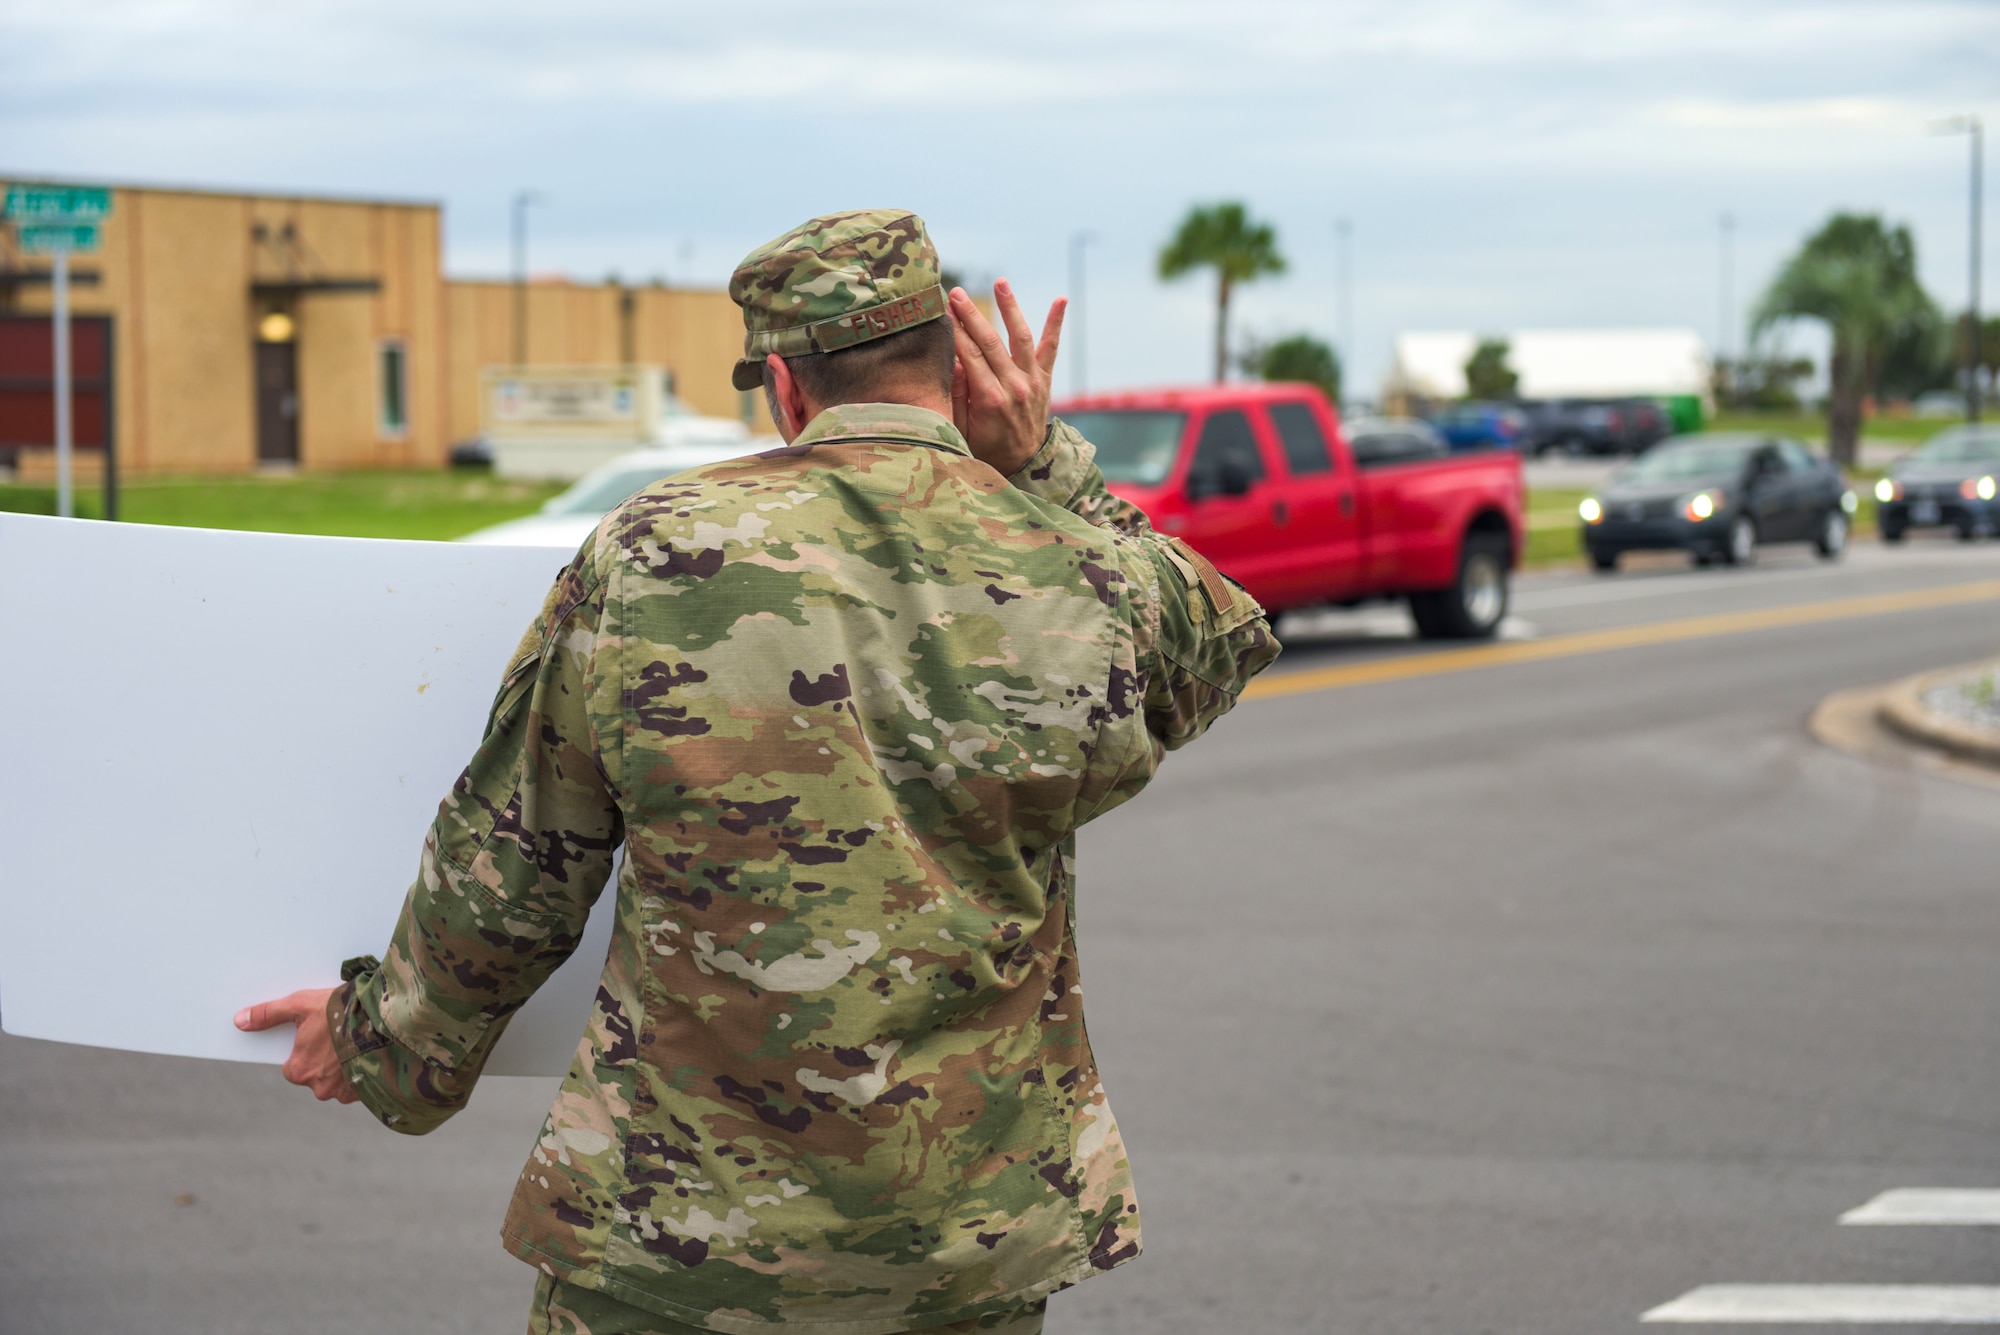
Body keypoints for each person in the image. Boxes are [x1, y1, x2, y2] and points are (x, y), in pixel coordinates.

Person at [239, 209, 1277, 1335]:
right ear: (954, 365)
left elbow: (518, 863)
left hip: (679, 1242)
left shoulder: (652, 552)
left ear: (783, 386)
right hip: (959, 1252)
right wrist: (1042, 465)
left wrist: (385, 1045)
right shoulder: (1064, 564)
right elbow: (1215, 644)